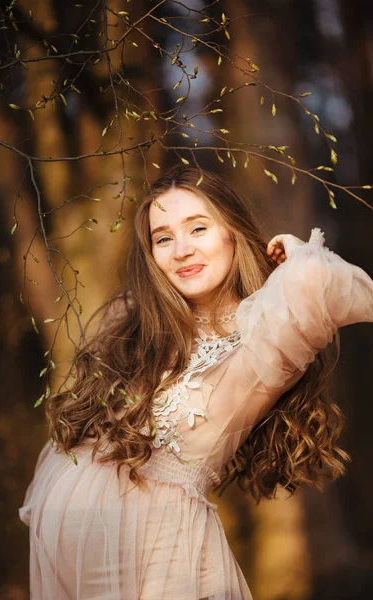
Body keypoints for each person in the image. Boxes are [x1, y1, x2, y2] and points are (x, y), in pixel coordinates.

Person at [19, 165, 373, 600]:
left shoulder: (268, 338)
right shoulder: (137, 327)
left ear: (233, 233)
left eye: (198, 228)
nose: (181, 250)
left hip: (168, 560)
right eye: (163, 238)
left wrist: (295, 254)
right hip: (82, 573)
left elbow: (331, 287)